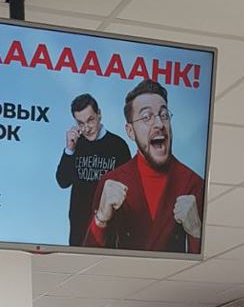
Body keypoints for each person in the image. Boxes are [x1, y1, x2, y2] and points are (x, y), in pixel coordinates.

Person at [83, 79, 204, 253]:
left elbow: (205, 264)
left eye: (164, 115)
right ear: (130, 131)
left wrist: (196, 232)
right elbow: (88, 257)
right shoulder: (111, 183)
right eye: (147, 117)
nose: (159, 124)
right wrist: (100, 219)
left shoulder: (194, 185)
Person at [55, 93, 130, 247]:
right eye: (80, 123)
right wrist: (69, 150)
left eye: (90, 120)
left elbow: (129, 189)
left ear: (99, 114)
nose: (87, 128)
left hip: (110, 230)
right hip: (79, 230)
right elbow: (62, 181)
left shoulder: (118, 145)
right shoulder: (76, 145)